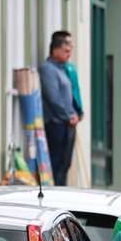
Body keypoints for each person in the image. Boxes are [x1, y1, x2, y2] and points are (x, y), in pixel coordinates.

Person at [39, 31, 81, 185]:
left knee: (65, 164)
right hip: (56, 124)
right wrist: (68, 115)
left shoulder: (64, 69)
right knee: (56, 164)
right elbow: (53, 97)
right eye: (66, 50)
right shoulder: (47, 68)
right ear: (55, 50)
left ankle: (62, 192)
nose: (69, 54)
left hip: (67, 123)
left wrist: (76, 113)